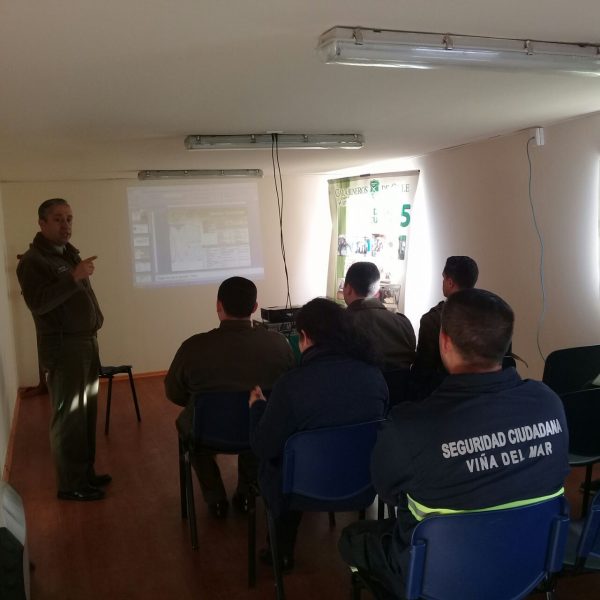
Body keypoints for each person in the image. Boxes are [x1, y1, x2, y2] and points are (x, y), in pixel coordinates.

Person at [339, 289, 570, 599]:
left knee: (352, 538)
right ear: (506, 343)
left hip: (437, 574)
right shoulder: (548, 402)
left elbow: (388, 492)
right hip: (529, 562)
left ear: (444, 342)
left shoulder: (409, 425)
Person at [249, 297, 388, 572]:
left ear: (304, 337)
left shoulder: (291, 384)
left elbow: (263, 447)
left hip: (299, 491)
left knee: (276, 463)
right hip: (363, 484)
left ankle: (281, 552)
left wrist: (257, 408)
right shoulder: (373, 376)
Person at [164, 276, 295, 518]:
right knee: (258, 420)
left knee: (189, 427)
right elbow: (287, 390)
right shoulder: (279, 344)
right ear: (255, 307)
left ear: (218, 305)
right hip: (260, 428)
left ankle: (214, 498)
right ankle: (247, 493)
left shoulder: (193, 347)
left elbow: (174, 392)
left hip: (207, 431)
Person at [17, 198, 108, 501]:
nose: (66, 225)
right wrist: (73, 277)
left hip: (85, 343)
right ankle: (71, 484)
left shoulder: (69, 253)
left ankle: (85, 473)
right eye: (58, 219)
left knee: (86, 413)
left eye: (69, 218)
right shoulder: (33, 261)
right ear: (42, 223)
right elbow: (39, 303)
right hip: (64, 347)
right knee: (69, 417)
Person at [343, 262, 416, 404]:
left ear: (348, 289)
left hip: (354, 405)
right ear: (377, 292)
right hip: (399, 405)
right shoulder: (403, 324)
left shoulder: (339, 325)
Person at [412, 255, 478, 397]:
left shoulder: (433, 320)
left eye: (443, 278)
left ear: (450, 282)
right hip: (479, 393)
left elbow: (422, 371)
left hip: (442, 396)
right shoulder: (488, 315)